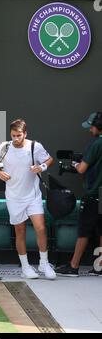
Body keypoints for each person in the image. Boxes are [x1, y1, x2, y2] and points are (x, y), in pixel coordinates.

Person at [0, 119, 56, 279]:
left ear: (25, 134)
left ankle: (44, 263)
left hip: (33, 196)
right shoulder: (5, 147)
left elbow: (49, 159)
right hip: (14, 197)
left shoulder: (34, 147)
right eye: (13, 135)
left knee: (40, 228)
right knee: (20, 230)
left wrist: (41, 167)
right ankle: (25, 267)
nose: (16, 139)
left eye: (19, 135)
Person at [55, 112, 102, 277]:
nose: (90, 130)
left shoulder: (95, 144)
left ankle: (74, 266)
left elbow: (82, 169)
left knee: (84, 231)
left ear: (98, 127)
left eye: (92, 126)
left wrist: (75, 164)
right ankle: (100, 266)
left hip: (93, 194)